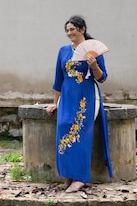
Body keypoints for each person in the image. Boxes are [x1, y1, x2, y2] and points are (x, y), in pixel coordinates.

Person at [45, 15, 113, 193]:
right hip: (67, 97)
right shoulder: (63, 51)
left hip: (85, 98)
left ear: (82, 29)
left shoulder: (94, 51)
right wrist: (55, 103)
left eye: (72, 29)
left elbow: (103, 78)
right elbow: (58, 80)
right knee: (64, 132)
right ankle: (68, 174)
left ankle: (80, 178)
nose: (69, 33)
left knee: (81, 135)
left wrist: (95, 66)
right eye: (67, 30)